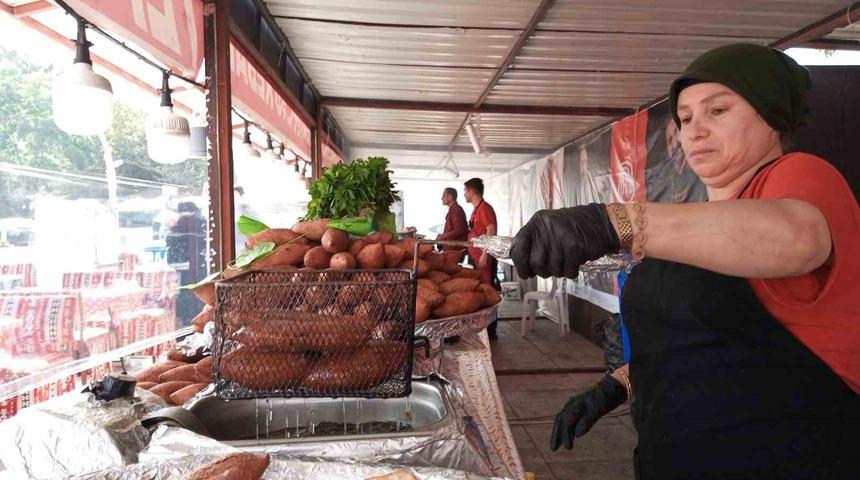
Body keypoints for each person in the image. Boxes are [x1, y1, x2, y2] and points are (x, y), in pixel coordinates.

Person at [510, 43, 860, 479]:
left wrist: (612, 222)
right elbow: (702, 343)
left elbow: (797, 237)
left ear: (770, 117)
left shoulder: (800, 176)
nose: (693, 131)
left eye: (718, 111)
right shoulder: (694, 221)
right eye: (687, 117)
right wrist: (615, 387)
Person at [464, 178, 500, 339]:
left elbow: (490, 230)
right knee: (480, 292)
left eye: (465, 191)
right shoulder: (476, 210)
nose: (464, 194)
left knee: (487, 293)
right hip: (476, 257)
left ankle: (490, 331)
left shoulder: (485, 209)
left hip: (483, 259)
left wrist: (485, 254)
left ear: (472, 191)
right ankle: (482, 328)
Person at [166, 201, 208, 327]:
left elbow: (170, 239)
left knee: (185, 291)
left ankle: (188, 319)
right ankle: (197, 318)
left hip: (184, 264)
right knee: (198, 291)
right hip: (199, 263)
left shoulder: (185, 220)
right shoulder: (202, 220)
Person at [437, 187, 468, 251]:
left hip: (456, 250)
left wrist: (443, 236)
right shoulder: (453, 209)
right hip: (452, 249)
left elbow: (458, 230)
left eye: (443, 196)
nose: (441, 198)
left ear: (450, 197)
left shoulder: (456, 210)